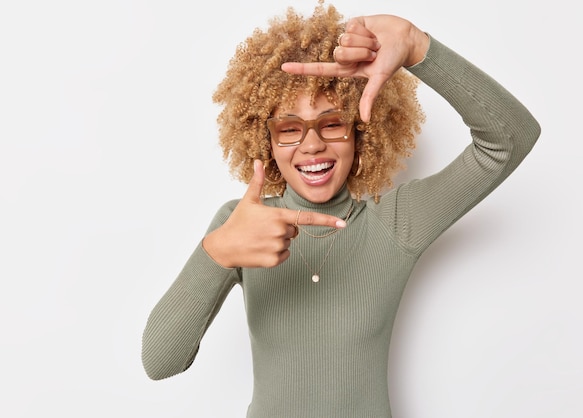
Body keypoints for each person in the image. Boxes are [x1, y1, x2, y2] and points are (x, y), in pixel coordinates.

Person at [141, 1, 541, 416]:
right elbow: (160, 362)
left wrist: (417, 46)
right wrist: (216, 253)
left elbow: (509, 139)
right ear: (267, 143)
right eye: (289, 128)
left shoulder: (396, 222)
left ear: (361, 132)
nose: (312, 145)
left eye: (332, 123)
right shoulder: (244, 224)